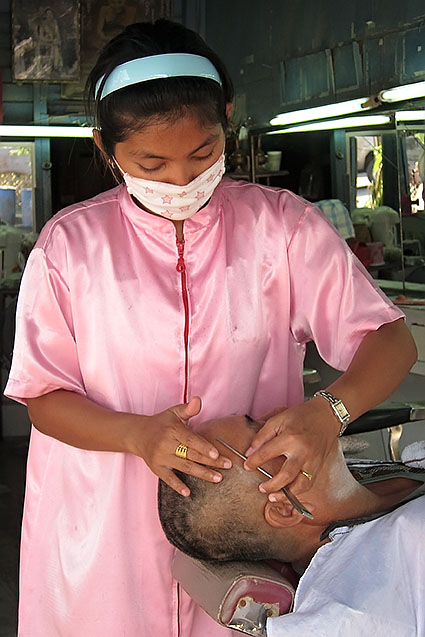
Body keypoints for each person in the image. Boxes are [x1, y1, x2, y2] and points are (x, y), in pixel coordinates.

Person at [5, 18, 417, 637]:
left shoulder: (281, 229)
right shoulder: (71, 248)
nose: (180, 181)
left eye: (202, 155)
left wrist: (329, 411)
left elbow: (390, 341)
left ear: (227, 119)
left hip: (243, 530)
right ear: (104, 146)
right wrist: (138, 436)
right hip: (102, 526)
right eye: (151, 162)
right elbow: (42, 398)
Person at [158, 414, 425, 636]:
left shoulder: (342, 485)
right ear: (285, 509)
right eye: (264, 434)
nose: (281, 412)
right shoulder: (362, 612)